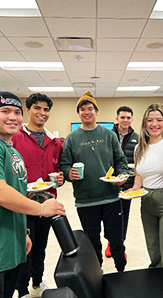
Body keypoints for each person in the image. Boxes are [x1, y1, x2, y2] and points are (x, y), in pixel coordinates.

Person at [0, 91, 65, 298]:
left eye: (16, 112)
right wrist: (41, 209)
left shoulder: (12, 150)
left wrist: (23, 231)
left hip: (10, 243)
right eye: (5, 111)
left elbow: (15, 190)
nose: (12, 117)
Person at [60, 90, 129, 272]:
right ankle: (97, 273)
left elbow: (120, 161)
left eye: (90, 108)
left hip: (111, 197)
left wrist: (122, 175)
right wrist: (69, 173)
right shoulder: (71, 139)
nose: (86, 112)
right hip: (85, 200)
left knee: (116, 240)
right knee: (92, 242)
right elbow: (64, 165)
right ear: (78, 113)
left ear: (96, 111)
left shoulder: (109, 135)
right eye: (82, 109)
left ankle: (121, 271)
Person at [127, 103, 163, 294]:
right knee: (155, 254)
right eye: (150, 120)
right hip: (147, 202)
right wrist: (133, 189)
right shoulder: (139, 147)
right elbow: (139, 175)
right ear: (144, 123)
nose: (154, 124)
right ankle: (161, 292)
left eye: (159, 120)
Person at [12, 93, 64, 298]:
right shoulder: (15, 136)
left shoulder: (54, 142)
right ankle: (22, 290)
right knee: (25, 249)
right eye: (37, 108)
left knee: (41, 247)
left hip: (47, 203)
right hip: (23, 203)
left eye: (46, 109)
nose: (42, 113)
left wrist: (60, 178)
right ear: (28, 110)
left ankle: (36, 283)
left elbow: (58, 168)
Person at [105, 106, 139, 258]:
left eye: (128, 118)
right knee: (109, 215)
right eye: (122, 117)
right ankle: (110, 242)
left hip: (128, 184)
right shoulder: (107, 135)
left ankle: (119, 245)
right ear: (117, 118)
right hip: (109, 183)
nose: (125, 120)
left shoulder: (137, 138)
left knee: (123, 215)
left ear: (131, 119)